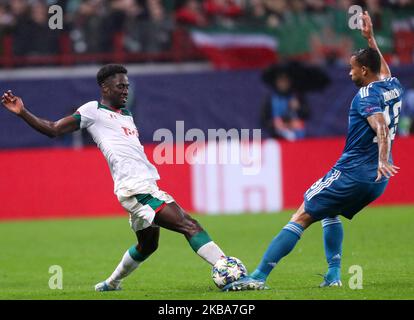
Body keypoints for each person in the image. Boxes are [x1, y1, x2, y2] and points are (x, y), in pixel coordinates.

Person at [1, 64, 226, 292]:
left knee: (148, 245)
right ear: (105, 88)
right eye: (120, 86)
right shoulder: (93, 110)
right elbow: (53, 129)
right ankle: (227, 269)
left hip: (144, 186)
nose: (125, 90)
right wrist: (23, 112)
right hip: (136, 190)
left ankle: (111, 283)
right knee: (190, 225)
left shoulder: (126, 115)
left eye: (127, 86)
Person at [223, 11, 403, 291]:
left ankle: (258, 276)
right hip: (378, 181)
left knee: (302, 214)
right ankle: (333, 276)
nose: (350, 72)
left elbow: (380, 127)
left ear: (364, 71)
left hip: (354, 172)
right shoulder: (392, 85)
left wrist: (381, 159)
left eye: (353, 68)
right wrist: (369, 38)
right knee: (329, 213)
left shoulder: (366, 96)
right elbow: (383, 70)